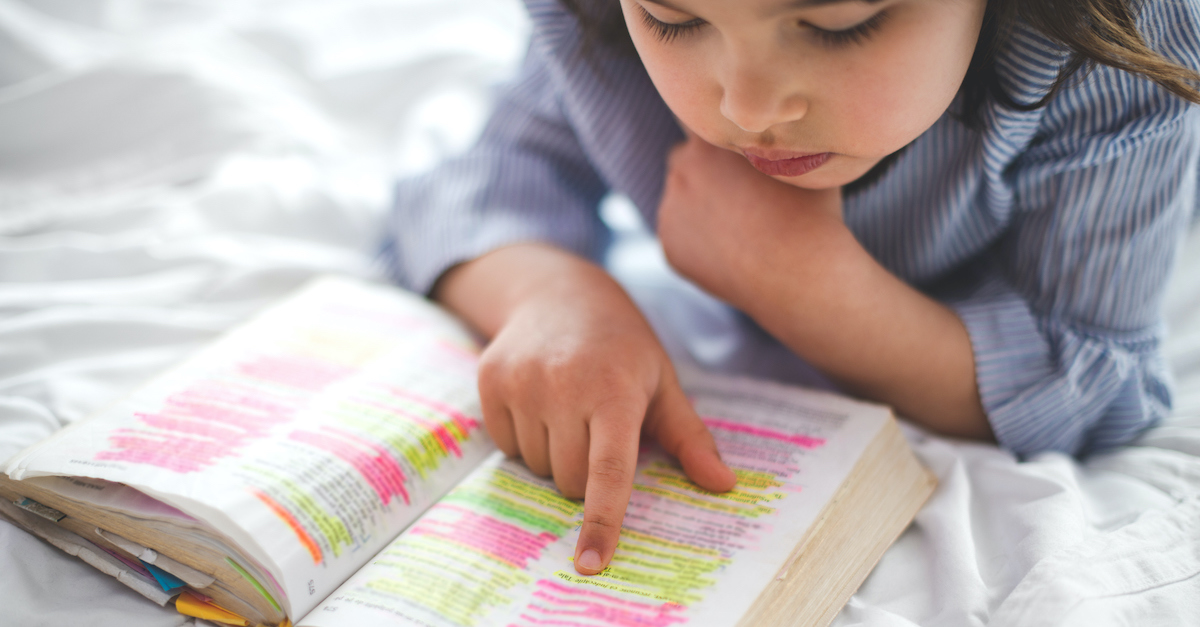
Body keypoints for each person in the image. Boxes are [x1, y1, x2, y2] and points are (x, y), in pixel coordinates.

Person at [384, 0, 1200, 576]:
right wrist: (548, 293)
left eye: (838, 22)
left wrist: (806, 288)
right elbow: (485, 174)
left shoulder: (1123, 39)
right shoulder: (593, 12)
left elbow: (1100, 377)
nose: (747, 105)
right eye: (674, 17)